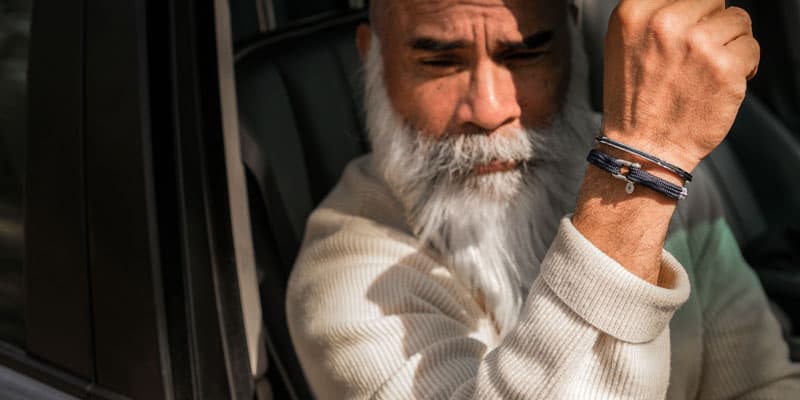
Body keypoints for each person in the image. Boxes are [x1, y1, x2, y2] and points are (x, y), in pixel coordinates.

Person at [286, 0, 800, 398]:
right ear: (371, 56)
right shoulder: (345, 271)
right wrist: (640, 172)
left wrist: (642, 164)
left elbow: (759, 384)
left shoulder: (661, 167)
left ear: (572, 40)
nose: (489, 110)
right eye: (438, 61)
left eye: (525, 54)